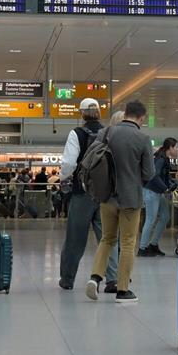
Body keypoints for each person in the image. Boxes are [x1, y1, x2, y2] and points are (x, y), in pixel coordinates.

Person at [86, 101, 154, 303]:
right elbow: (149, 173)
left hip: (107, 196)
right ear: (141, 118)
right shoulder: (142, 138)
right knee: (127, 242)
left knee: (107, 238)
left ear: (125, 114)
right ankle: (123, 290)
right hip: (130, 198)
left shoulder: (105, 133)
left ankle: (95, 278)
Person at [58, 99, 118, 292]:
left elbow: (68, 163)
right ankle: (112, 279)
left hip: (82, 193)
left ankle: (67, 279)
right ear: (99, 113)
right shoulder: (109, 133)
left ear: (82, 114)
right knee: (107, 237)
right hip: (105, 194)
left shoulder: (77, 134)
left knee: (75, 239)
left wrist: (63, 178)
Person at [138, 138, 178, 257]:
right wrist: (165, 188)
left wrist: (173, 183)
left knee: (165, 216)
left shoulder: (164, 158)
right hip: (151, 191)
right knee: (151, 219)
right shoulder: (160, 159)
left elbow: (163, 176)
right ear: (170, 148)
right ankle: (142, 248)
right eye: (175, 147)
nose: (176, 150)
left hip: (157, 191)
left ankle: (153, 244)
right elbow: (154, 176)